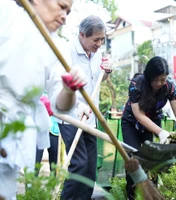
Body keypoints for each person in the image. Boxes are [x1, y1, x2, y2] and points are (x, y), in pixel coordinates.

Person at [0, 0, 87, 199]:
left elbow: (61, 106)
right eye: (61, 6)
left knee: (4, 191)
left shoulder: (57, 47)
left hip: (15, 126)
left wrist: (69, 89)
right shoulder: (5, 12)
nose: (65, 16)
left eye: (69, 11)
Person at [57, 15, 112, 200]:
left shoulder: (96, 53)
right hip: (71, 115)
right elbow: (60, 86)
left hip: (91, 117)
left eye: (102, 39)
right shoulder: (67, 51)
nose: (99, 44)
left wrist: (106, 72)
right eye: (96, 39)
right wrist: (78, 105)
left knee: (89, 169)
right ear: (82, 35)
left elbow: (98, 80)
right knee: (79, 164)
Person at [121, 56, 176, 199]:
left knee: (151, 160)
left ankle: (149, 195)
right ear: (149, 76)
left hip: (151, 123)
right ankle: (132, 195)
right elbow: (139, 115)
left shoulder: (169, 87)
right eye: (156, 80)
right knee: (132, 158)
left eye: (163, 79)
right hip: (131, 123)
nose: (160, 83)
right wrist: (161, 132)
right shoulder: (136, 84)